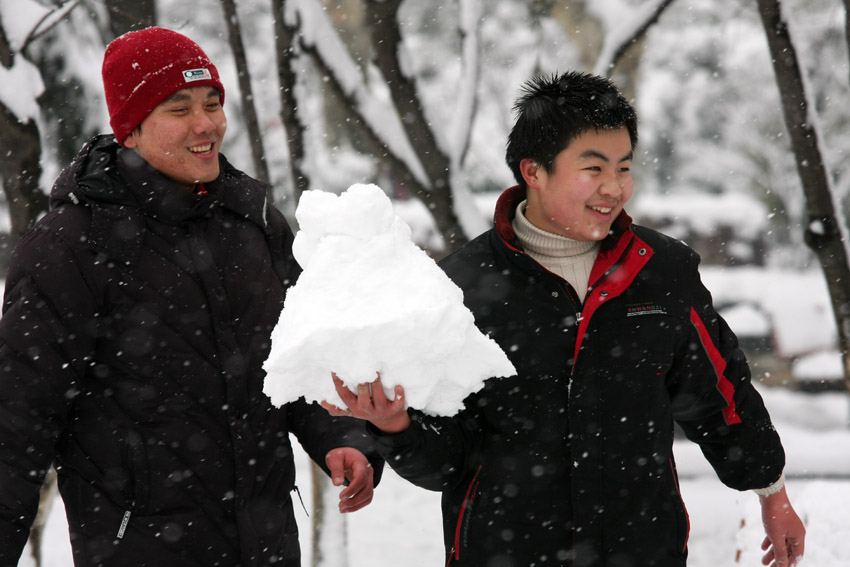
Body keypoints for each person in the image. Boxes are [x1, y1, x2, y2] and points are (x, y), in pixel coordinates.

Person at [323, 71, 806, 567]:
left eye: (623, 167)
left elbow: (721, 395)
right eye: (593, 169)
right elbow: (451, 459)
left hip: (641, 550)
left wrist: (771, 489)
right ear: (534, 171)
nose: (614, 188)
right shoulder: (459, 288)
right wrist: (397, 427)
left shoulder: (662, 272)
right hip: (506, 552)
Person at [0, 27, 382, 567]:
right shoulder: (68, 247)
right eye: (179, 109)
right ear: (130, 130)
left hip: (269, 547)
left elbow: (300, 354)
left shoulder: (251, 218)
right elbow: (15, 428)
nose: (206, 124)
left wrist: (342, 436)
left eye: (212, 103)